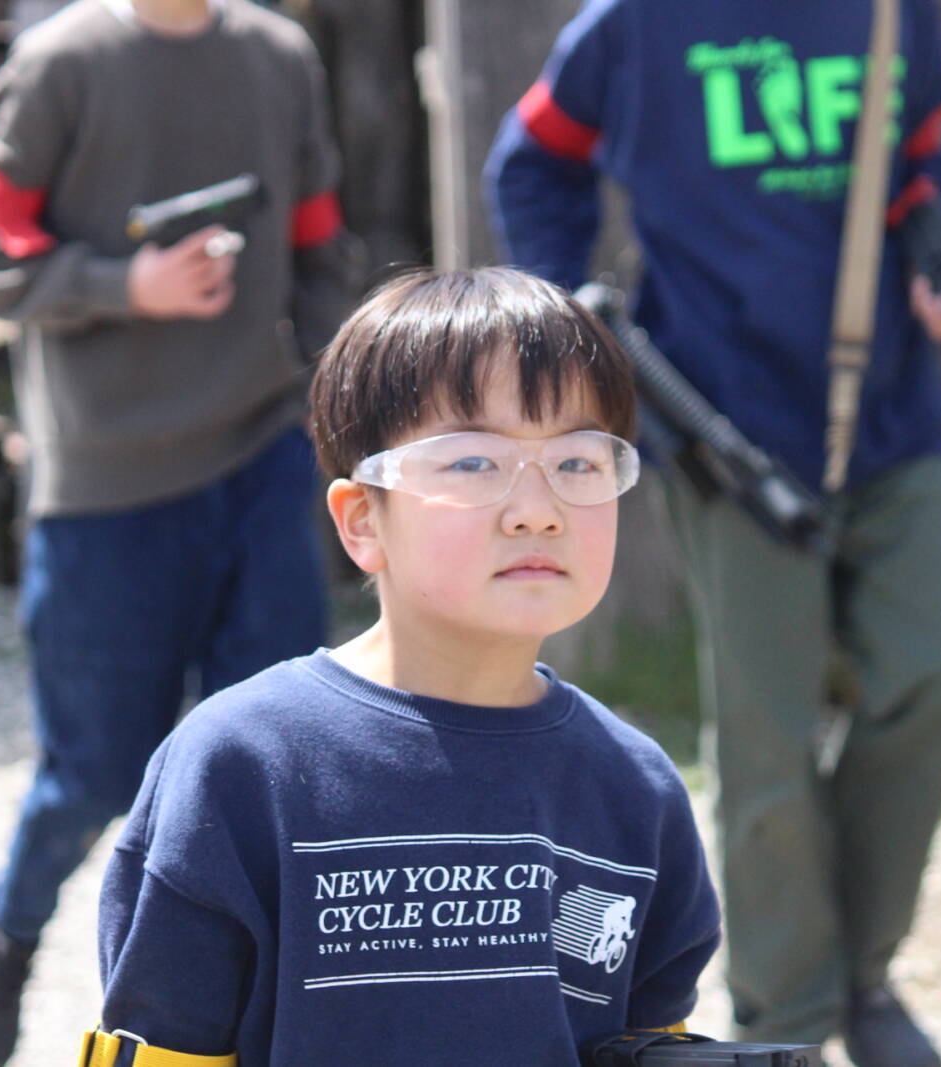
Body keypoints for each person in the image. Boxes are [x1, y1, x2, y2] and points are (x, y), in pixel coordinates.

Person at [485, 3, 941, 1065]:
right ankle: (789, 1022)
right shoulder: (634, 23)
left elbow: (915, 161)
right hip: (728, 431)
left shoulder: (894, 11)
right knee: (769, 733)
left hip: (891, 415)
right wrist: (571, 314)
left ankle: (861, 973)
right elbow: (531, 161)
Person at [81, 267, 721, 1066]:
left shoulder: (635, 789)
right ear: (362, 520)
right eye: (473, 462)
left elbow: (652, 1038)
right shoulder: (241, 764)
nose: (538, 509)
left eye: (579, 462)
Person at [0, 1, 361, 1064]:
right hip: (105, 488)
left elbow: (317, 240)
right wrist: (123, 285)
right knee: (94, 775)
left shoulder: (278, 57)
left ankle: (255, 1019)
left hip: (263, 456)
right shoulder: (61, 64)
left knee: (275, 770)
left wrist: (339, 406)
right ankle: (9, 921)